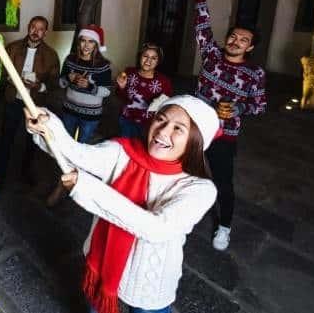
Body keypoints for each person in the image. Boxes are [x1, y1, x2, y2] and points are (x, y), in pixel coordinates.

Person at [25, 95, 219, 313]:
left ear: (196, 141)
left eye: (178, 129)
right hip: (101, 262)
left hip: (148, 280)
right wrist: (47, 125)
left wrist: (89, 189)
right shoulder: (123, 151)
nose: (163, 132)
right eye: (161, 120)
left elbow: (157, 228)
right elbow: (77, 154)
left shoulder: (200, 190)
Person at [191, 0, 267, 251]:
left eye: (243, 40)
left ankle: (224, 227)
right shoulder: (212, 53)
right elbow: (202, 25)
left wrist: (238, 108)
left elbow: (259, 106)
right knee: (184, 170)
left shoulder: (254, 73)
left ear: (251, 46)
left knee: (223, 181)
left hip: (224, 133)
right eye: (233, 36)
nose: (235, 41)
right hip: (197, 125)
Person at [46, 25, 111, 206]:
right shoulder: (70, 59)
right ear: (79, 42)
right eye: (83, 40)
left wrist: (90, 87)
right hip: (69, 110)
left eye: (91, 41)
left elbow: (107, 92)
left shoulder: (103, 65)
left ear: (97, 44)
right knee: (63, 147)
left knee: (81, 151)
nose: (86, 45)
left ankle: (74, 186)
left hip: (90, 115)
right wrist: (70, 79)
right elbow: (60, 82)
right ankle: (61, 183)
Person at [0, 16, 60, 189]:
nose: (35, 31)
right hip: (13, 101)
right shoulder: (13, 47)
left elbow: (54, 84)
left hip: (35, 105)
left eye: (40, 29)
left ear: (45, 33)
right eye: (33, 27)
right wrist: (9, 79)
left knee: (32, 142)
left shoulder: (51, 55)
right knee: (6, 139)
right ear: (28, 27)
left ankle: (25, 176)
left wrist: (40, 86)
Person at [115, 43, 172, 138]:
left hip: (147, 124)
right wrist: (121, 87)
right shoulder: (129, 72)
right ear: (140, 57)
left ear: (158, 62)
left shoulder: (164, 82)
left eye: (154, 58)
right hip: (126, 120)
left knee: (141, 149)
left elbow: (167, 106)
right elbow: (119, 96)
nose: (148, 60)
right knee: (125, 147)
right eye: (145, 56)